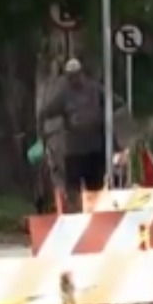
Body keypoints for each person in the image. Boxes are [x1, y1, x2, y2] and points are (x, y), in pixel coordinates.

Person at [37, 58, 123, 202]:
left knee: (95, 187)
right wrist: (44, 135)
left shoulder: (95, 89)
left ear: (82, 73)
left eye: (76, 75)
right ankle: (76, 214)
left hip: (95, 148)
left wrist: (102, 118)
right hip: (75, 150)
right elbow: (45, 113)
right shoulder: (63, 95)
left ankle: (95, 215)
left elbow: (116, 103)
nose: (74, 79)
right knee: (74, 189)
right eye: (70, 76)